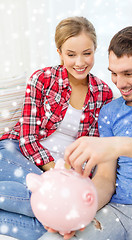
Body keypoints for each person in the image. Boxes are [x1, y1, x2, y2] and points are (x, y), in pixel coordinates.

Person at [0, 16, 112, 240]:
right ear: (59, 52)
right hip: (17, 154)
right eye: (71, 55)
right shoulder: (42, 79)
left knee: (55, 221)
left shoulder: (103, 93)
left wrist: (69, 176)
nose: (79, 62)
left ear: (95, 50)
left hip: (63, 173)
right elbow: (27, 138)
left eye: (87, 53)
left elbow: (92, 149)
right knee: (60, 209)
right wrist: (56, 175)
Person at [59, 26, 132, 240]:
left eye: (128, 73)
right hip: (120, 213)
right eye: (114, 73)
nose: (120, 84)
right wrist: (79, 210)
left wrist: (119, 145)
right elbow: (105, 179)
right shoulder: (110, 112)